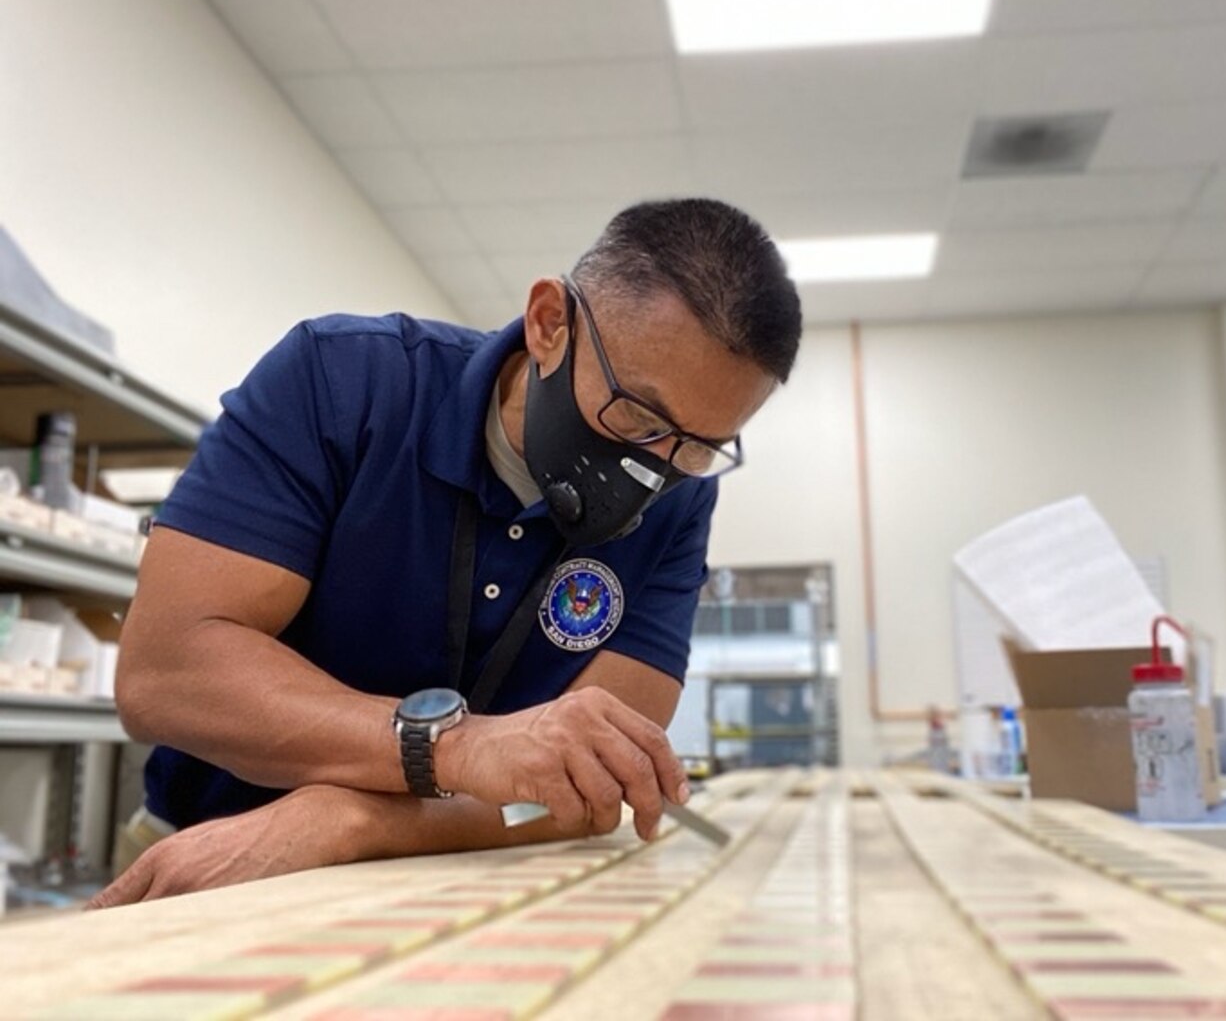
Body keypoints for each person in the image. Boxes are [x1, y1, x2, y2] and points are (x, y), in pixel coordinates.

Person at [92, 198, 802, 907]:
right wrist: (457, 747)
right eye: (638, 417)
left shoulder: (679, 502)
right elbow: (166, 672)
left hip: (454, 876)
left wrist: (354, 819)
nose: (656, 467)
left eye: (698, 446)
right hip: (209, 861)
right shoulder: (343, 384)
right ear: (550, 324)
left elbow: (585, 789)